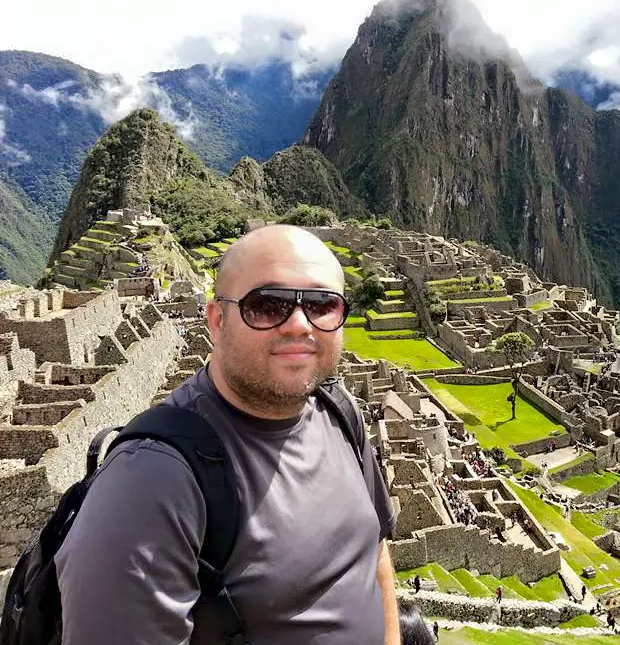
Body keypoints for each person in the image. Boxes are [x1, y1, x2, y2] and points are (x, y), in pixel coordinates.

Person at [54, 225, 400, 645]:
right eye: (266, 305)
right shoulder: (150, 481)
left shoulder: (340, 413)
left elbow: (374, 552)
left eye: (321, 304)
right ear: (216, 321)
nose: (298, 324)